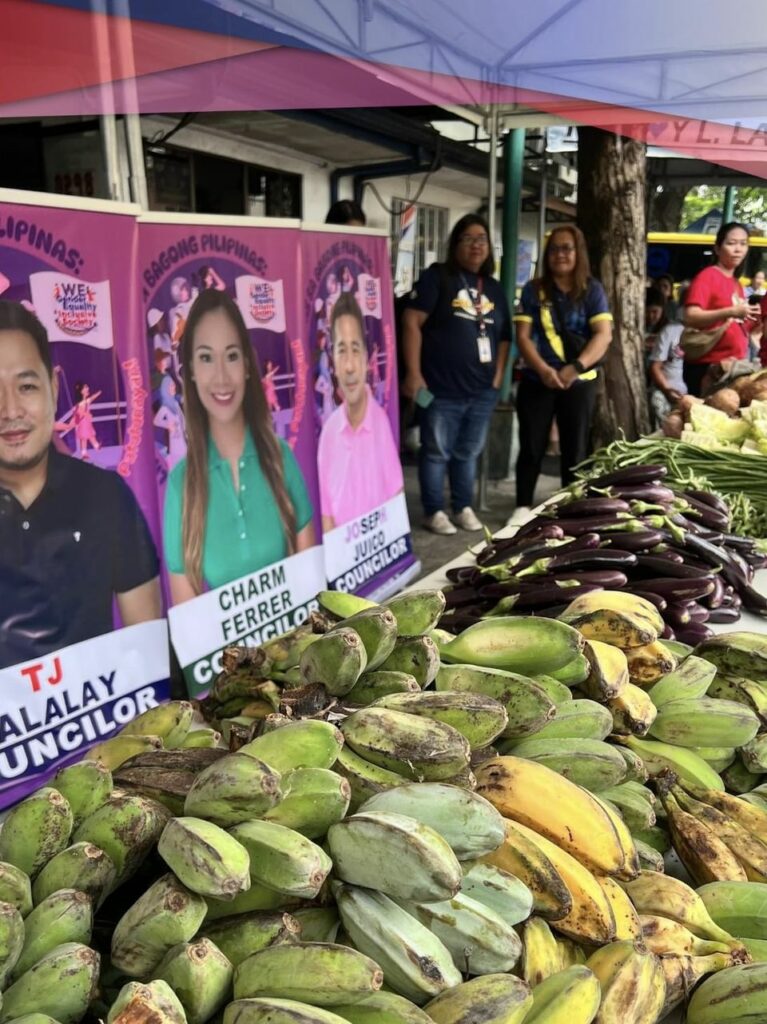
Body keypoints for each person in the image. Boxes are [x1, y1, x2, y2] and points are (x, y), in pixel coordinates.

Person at [0, 300, 161, 669]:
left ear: (53, 387)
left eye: (26, 386)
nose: (10, 410)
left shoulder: (105, 495)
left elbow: (148, 648)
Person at [163, 290, 315, 603]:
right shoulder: (181, 486)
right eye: (206, 358)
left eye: (231, 355)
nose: (221, 377)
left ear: (246, 364)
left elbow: (312, 591)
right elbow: (191, 621)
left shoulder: (280, 458)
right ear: (191, 370)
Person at [402, 214, 511, 535]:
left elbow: (505, 337)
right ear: (455, 244)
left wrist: (497, 378)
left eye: (482, 239)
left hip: (482, 391)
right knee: (436, 452)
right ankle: (433, 510)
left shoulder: (493, 287)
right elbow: (411, 322)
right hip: (440, 388)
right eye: (468, 238)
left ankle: (462, 506)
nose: (476, 245)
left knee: (469, 452)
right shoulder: (438, 277)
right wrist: (413, 373)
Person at [513, 225, 613, 511]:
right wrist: (544, 370)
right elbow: (523, 336)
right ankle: (522, 507)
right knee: (531, 446)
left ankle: (570, 509)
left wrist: (575, 368)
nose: (560, 254)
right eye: (554, 249)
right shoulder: (534, 290)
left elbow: (603, 335)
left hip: (579, 382)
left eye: (567, 248)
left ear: (578, 252)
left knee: (575, 450)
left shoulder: (592, 290)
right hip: (537, 379)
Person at [317, 293, 403, 531]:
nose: (349, 366)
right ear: (333, 363)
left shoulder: (381, 423)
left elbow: (397, 499)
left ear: (366, 359)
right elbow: (327, 517)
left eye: (355, 350)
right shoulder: (328, 434)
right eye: (341, 351)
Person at [682, 222, 757, 396]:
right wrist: (731, 311)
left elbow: (736, 324)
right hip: (709, 367)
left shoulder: (736, 283)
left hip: (733, 365)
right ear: (717, 248)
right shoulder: (708, 276)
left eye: (743, 244)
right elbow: (691, 316)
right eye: (731, 243)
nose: (738, 249)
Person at [645, 287, 686, 427]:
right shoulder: (670, 331)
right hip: (667, 390)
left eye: (655, 312)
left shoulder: (705, 331)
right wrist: (667, 389)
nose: (651, 316)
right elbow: (655, 367)